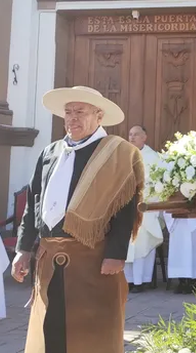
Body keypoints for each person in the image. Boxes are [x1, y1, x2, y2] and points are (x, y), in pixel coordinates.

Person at [13, 86, 144, 353]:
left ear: (99, 116)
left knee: (92, 332)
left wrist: (116, 253)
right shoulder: (50, 152)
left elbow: (126, 206)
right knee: (51, 329)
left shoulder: (118, 153)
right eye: (68, 112)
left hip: (93, 258)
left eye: (80, 112)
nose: (73, 118)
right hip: (49, 258)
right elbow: (33, 202)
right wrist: (23, 249)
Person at [125, 125, 164, 293]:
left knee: (141, 240)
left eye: (136, 135)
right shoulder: (124, 155)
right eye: (130, 134)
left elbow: (158, 185)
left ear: (144, 137)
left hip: (145, 207)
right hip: (126, 207)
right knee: (125, 242)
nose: (132, 138)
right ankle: (127, 281)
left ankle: (141, 281)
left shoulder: (153, 158)